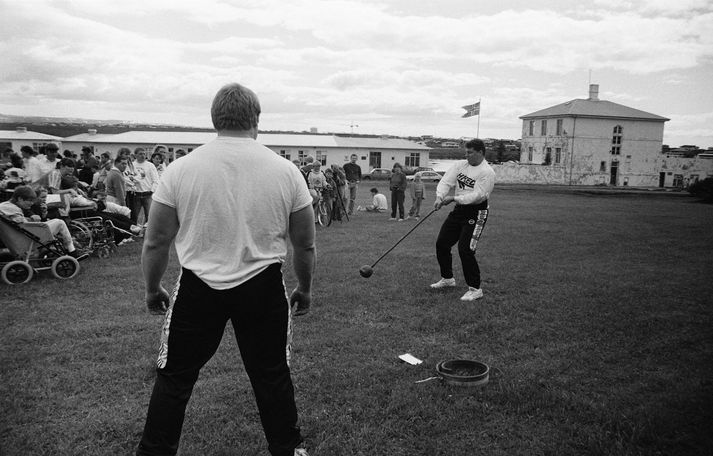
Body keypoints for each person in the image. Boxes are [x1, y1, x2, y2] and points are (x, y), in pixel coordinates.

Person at [137, 82, 314, 456]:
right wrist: (305, 287)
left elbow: (156, 241)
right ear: (256, 119)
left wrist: (153, 289)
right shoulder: (286, 171)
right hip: (262, 286)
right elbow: (305, 242)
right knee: (271, 375)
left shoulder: (180, 169)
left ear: (215, 119)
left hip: (199, 286)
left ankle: (155, 451)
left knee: (175, 377)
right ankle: (288, 448)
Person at [431, 138, 495, 302]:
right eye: (465, 152)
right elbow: (446, 181)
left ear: (480, 152)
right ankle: (448, 279)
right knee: (442, 243)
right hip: (459, 211)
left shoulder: (487, 172)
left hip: (476, 212)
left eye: (470, 152)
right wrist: (440, 196)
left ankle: (475, 289)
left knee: (465, 249)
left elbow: (478, 196)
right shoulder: (460, 165)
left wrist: (454, 198)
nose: (466, 155)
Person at [0, 186, 87, 260]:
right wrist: (33, 220)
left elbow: (18, 223)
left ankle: (71, 250)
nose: (32, 203)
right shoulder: (11, 208)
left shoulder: (5, 205)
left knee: (56, 222)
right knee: (60, 222)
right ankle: (72, 252)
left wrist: (31, 219)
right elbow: (23, 225)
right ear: (20, 199)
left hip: (21, 236)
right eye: (30, 200)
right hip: (28, 237)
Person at [131, 147, 159, 223]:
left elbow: (156, 180)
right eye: (140, 154)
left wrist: (152, 191)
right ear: (135, 155)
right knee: (134, 216)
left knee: (149, 216)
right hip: (136, 195)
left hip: (147, 194)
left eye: (144, 154)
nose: (143, 156)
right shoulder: (132, 165)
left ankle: (147, 233)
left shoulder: (150, 165)